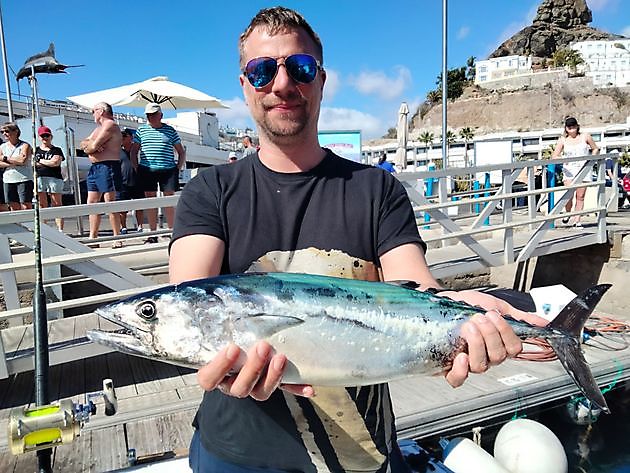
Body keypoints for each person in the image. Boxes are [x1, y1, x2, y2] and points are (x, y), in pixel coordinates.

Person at [169, 7, 545, 473]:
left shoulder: (377, 189)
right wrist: (216, 363)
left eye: (300, 68)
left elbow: (415, 289)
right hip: (235, 453)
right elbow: (189, 297)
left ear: (322, 80)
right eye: (262, 70)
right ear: (244, 84)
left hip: (361, 456)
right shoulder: (212, 191)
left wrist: (465, 315)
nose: (282, 84)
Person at [130, 102, 186, 244]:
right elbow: (134, 151)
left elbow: (180, 151)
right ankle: (153, 233)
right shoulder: (141, 131)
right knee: (151, 201)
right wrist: (137, 167)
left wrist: (177, 168)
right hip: (147, 169)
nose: (151, 118)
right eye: (149, 115)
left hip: (168, 169)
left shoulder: (170, 130)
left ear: (160, 115)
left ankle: (173, 231)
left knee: (168, 201)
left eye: (153, 115)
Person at [80, 102, 123, 241]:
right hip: (95, 168)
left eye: (94, 110)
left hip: (108, 166)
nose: (92, 113)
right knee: (92, 202)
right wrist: (89, 146)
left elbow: (92, 146)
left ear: (102, 111)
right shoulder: (98, 129)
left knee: (110, 202)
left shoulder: (110, 125)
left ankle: (117, 237)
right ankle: (93, 237)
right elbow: (84, 144)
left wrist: (91, 147)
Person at [552, 116, 599, 228]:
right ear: (566, 128)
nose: (572, 129)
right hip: (569, 171)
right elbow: (554, 156)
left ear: (577, 126)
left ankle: (577, 220)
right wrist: (564, 160)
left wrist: (591, 159)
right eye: (569, 127)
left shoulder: (585, 136)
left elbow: (595, 148)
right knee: (569, 194)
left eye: (574, 126)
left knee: (580, 196)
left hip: (584, 169)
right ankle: (568, 213)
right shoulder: (563, 140)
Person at [34, 125, 65, 231]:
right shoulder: (36, 150)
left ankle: (60, 229)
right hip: (39, 178)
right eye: (42, 136)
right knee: (42, 205)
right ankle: (44, 229)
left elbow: (55, 163)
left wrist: (40, 161)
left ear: (51, 136)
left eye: (47, 135)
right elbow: (32, 164)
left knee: (56, 203)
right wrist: (47, 162)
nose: (45, 138)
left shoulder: (56, 150)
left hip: (54, 178)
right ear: (39, 137)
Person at [0, 122, 33, 211]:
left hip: (24, 179)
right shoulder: (2, 147)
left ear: (16, 132)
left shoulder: (25, 145)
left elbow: (23, 160)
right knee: (13, 206)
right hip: (8, 180)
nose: (4, 134)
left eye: (6, 131)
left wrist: (4, 158)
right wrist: (15, 161)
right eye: (2, 132)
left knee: (26, 206)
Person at [118, 128, 145, 234]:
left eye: (125, 136)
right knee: (122, 207)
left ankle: (140, 226)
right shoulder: (118, 151)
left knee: (139, 206)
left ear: (130, 137)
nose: (122, 138)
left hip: (138, 181)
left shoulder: (137, 149)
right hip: (123, 182)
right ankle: (123, 227)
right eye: (121, 137)